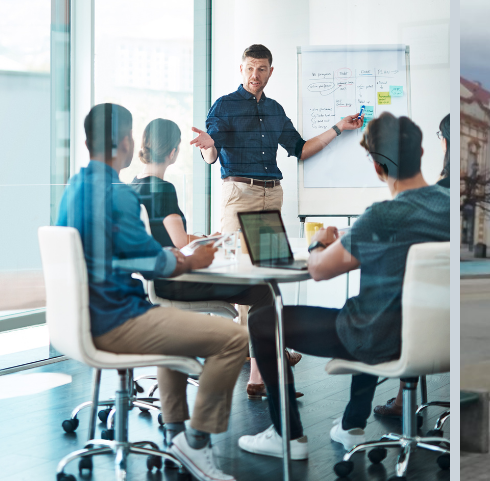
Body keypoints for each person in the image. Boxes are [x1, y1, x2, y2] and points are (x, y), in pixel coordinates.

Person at [238, 113, 448, 460]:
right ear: (422, 152)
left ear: (377, 166)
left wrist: (319, 242)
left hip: (378, 340)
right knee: (369, 306)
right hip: (434, 338)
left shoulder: (381, 216)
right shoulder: (447, 208)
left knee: (262, 322)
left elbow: (319, 271)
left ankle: (287, 435)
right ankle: (352, 425)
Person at [58, 104, 244, 481]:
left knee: (173, 327)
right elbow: (153, 264)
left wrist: (165, 255)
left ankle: (175, 435)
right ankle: (196, 441)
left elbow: (122, 255)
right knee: (235, 339)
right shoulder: (117, 195)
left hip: (81, 319)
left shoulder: (74, 187)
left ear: (86, 142)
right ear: (126, 143)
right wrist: (191, 260)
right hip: (116, 319)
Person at [188, 44, 361, 399]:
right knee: (246, 280)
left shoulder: (274, 109)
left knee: (268, 276)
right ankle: (257, 370)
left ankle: (267, 351)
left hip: (272, 194)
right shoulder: (224, 105)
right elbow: (211, 154)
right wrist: (206, 146)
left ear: (270, 71)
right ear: (241, 69)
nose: (255, 75)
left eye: (262, 69)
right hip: (240, 194)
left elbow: (300, 149)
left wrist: (338, 128)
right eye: (250, 68)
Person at [131, 119, 303, 395]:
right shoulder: (162, 189)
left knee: (259, 289)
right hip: (178, 283)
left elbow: (164, 240)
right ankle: (262, 377)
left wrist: (201, 237)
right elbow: (178, 242)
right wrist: (211, 241)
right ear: (173, 153)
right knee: (264, 291)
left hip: (153, 284)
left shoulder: (133, 187)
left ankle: (261, 376)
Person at [374, 114, 449, 419]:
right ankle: (401, 400)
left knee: (387, 307)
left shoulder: (431, 197)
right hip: (444, 329)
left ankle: (390, 407)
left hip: (422, 324)